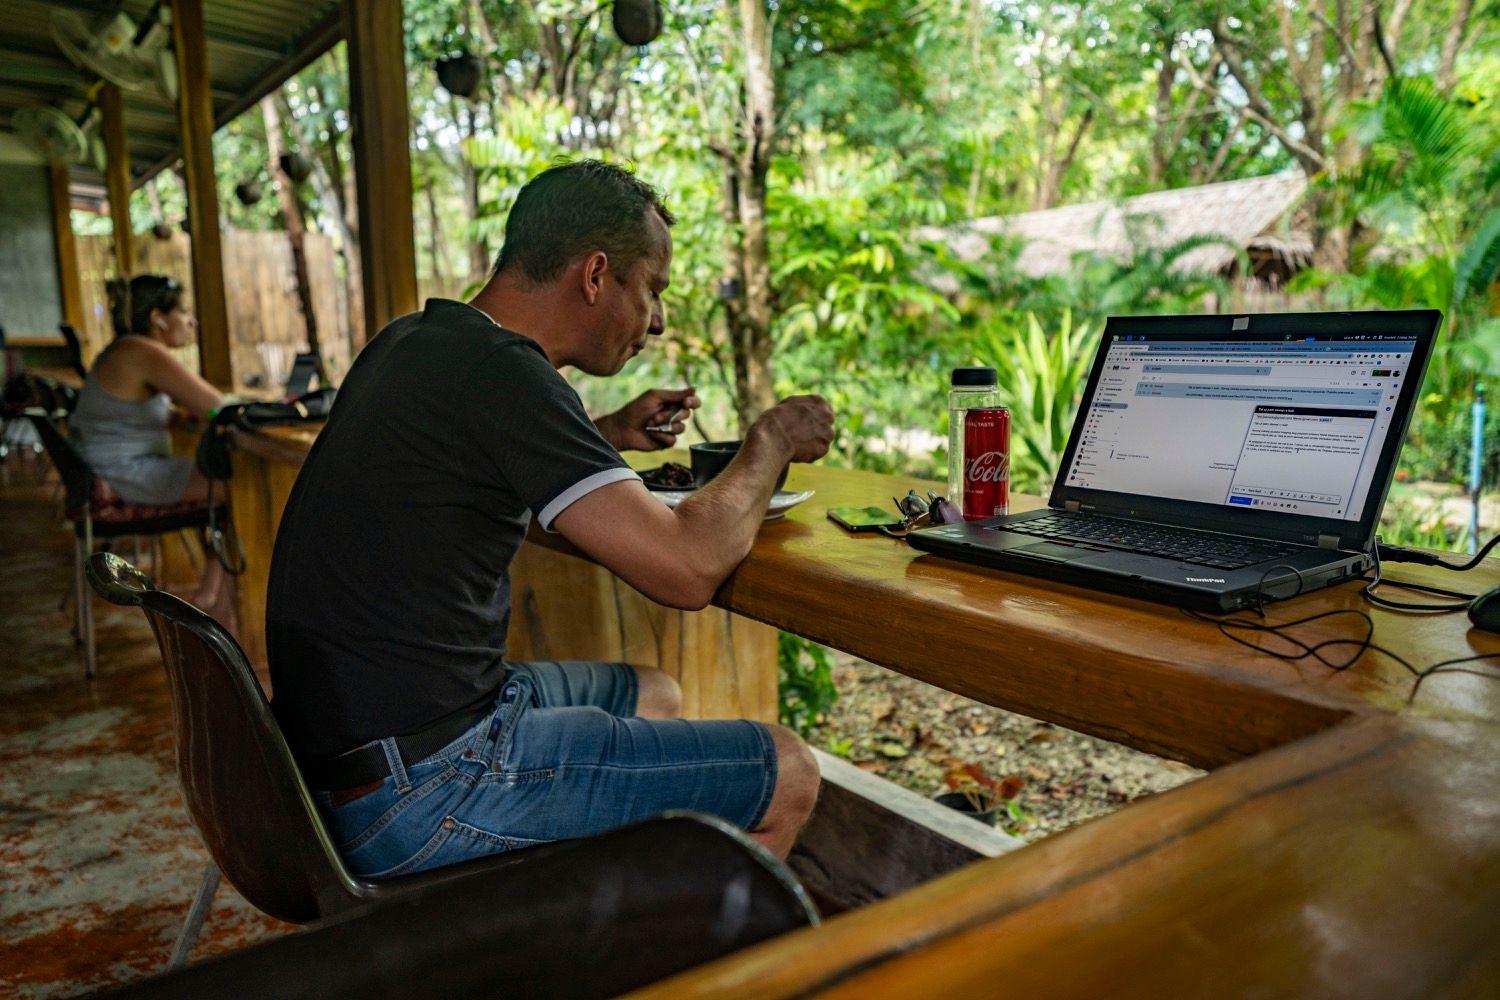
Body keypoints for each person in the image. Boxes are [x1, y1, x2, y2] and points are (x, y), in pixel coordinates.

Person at [267, 160, 833, 876]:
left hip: (342, 756)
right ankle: (681, 955)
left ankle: (589, 916)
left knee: (654, 694)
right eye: (652, 289)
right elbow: (687, 569)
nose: (656, 321)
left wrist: (610, 431)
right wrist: (772, 439)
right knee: (788, 771)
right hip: (420, 784)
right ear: (596, 276)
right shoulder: (506, 375)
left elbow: (479, 490)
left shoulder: (416, 343)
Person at [71, 274, 232, 619]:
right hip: (121, 476)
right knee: (238, 486)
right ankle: (220, 605)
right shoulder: (144, 351)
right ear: (158, 318)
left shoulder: (124, 349)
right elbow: (218, 407)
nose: (192, 321)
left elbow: (132, 412)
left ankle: (212, 594)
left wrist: (175, 415)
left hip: (102, 471)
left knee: (221, 481)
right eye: (184, 313)